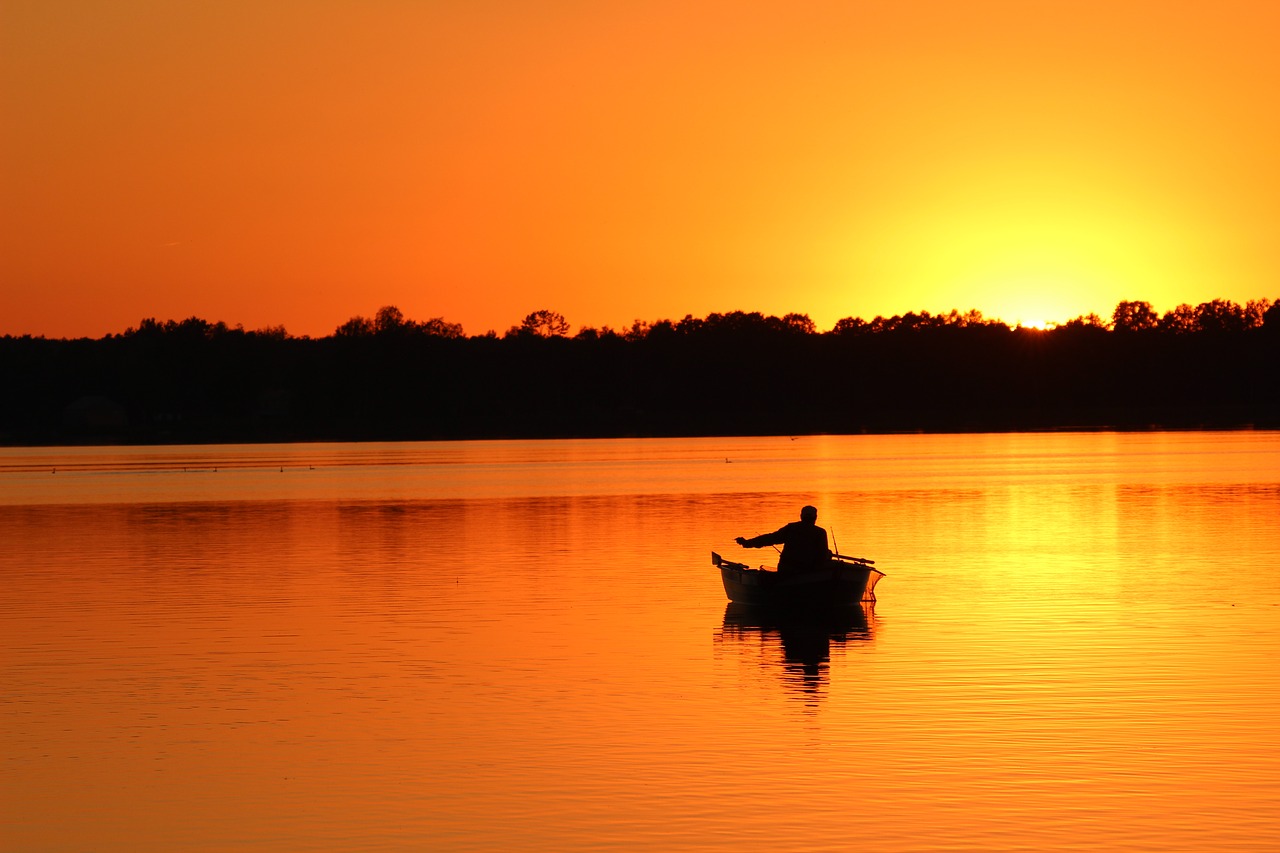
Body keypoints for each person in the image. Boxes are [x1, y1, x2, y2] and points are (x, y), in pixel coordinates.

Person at [735, 505, 832, 574]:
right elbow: (822, 555)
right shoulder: (820, 532)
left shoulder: (791, 528)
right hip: (808, 571)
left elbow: (770, 538)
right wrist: (828, 554)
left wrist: (747, 543)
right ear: (815, 517)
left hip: (787, 570)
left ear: (801, 516)